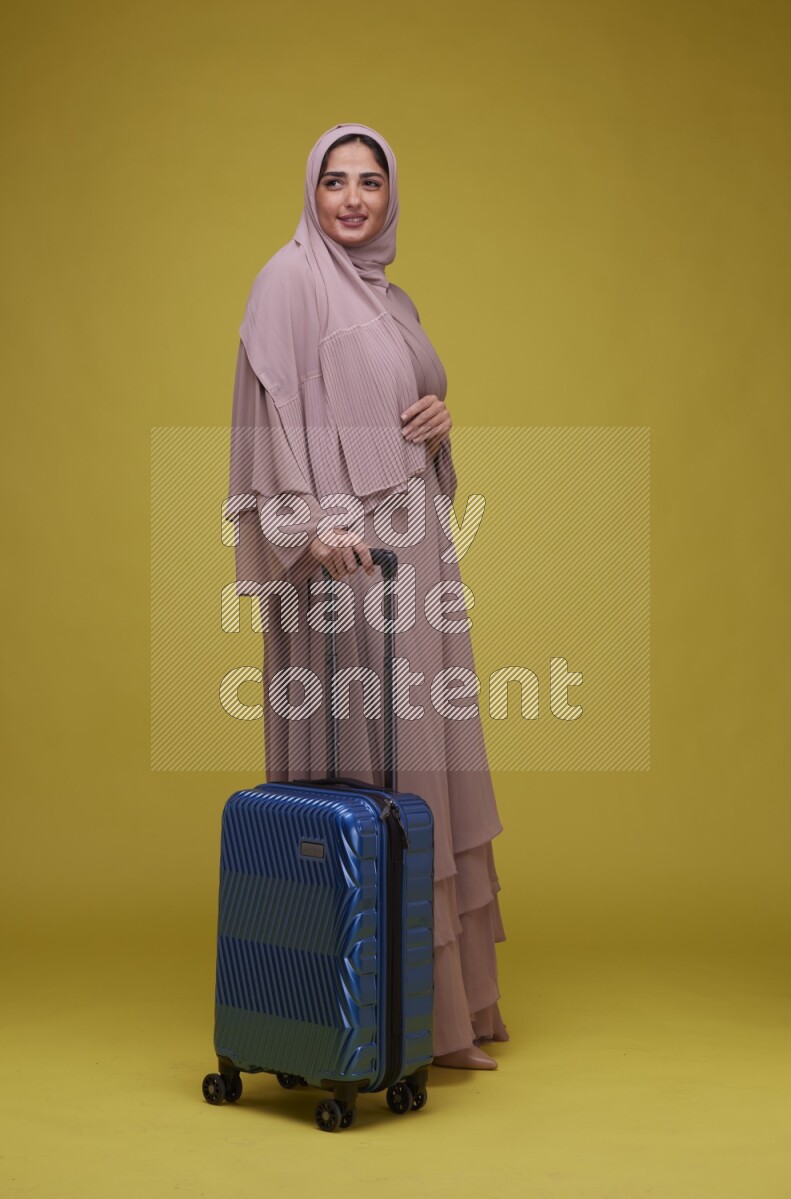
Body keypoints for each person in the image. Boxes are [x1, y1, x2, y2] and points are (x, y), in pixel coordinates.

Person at [226, 122, 508, 1069]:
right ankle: (355, 1014)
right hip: (339, 560)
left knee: (426, 755)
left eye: (371, 182)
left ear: (391, 197)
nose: (353, 199)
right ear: (312, 191)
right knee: (363, 756)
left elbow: (407, 423)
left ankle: (435, 1016)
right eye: (336, 181)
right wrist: (306, 527)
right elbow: (265, 418)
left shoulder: (393, 297)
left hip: (412, 548)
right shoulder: (287, 281)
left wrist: (437, 422)